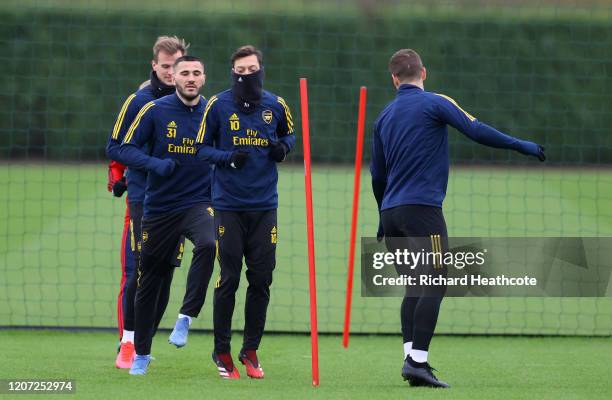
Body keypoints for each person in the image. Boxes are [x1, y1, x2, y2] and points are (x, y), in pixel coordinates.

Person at [370, 49, 545, 388]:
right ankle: (417, 362)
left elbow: (377, 174)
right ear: (425, 72)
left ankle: (411, 358)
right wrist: (519, 144)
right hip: (423, 211)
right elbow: (476, 130)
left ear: (393, 79)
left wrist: (381, 214)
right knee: (435, 280)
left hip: (391, 213)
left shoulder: (384, 116)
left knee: (416, 284)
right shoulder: (436, 102)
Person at [196, 45, 296, 379]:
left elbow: (289, 135)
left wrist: (283, 148)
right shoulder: (217, 105)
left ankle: (250, 349)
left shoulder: (276, 104)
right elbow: (200, 148)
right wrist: (227, 158)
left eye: (252, 69)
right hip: (227, 206)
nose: (246, 75)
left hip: (265, 206)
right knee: (229, 278)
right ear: (232, 73)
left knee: (262, 277)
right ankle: (221, 350)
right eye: (240, 70)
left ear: (260, 69)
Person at [119, 55, 216, 375]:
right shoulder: (154, 111)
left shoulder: (213, 112)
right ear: (173, 77)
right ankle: (141, 353)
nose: (191, 78)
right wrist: (154, 164)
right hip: (159, 209)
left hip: (197, 204)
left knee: (208, 243)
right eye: (184, 73)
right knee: (149, 279)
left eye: (196, 73)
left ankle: (185, 318)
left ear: (203, 78)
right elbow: (121, 148)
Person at [105, 35, 189, 369]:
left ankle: (144, 341)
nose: (171, 72)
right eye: (165, 66)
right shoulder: (139, 101)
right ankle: (127, 343)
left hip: (181, 202)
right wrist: (120, 178)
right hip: (143, 200)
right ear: (155, 66)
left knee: (166, 273)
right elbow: (116, 147)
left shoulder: (196, 105)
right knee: (136, 270)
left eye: (176, 66)